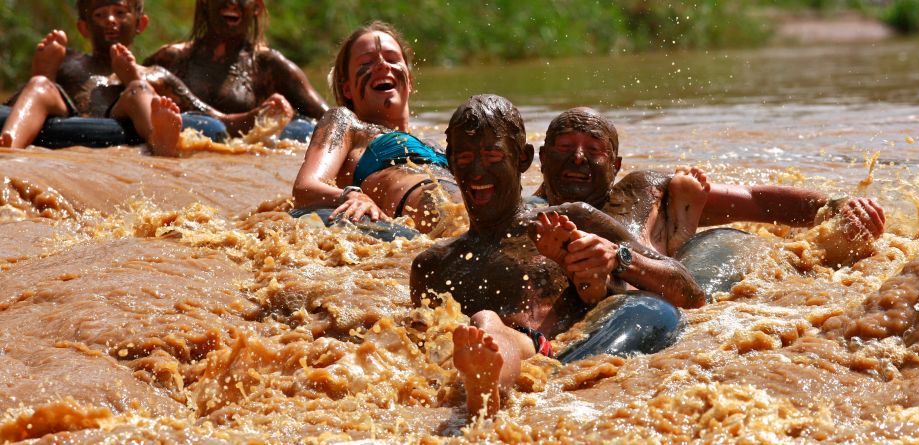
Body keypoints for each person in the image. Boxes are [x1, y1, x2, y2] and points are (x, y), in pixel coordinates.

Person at [410, 95, 705, 419]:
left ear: (523, 159)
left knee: (487, 323)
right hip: (512, 356)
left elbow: (691, 293)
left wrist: (618, 258)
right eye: (465, 157)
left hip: (573, 351)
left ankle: (488, 390)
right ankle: (486, 389)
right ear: (450, 162)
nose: (478, 171)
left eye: (493, 156)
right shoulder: (433, 266)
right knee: (486, 324)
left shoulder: (574, 220)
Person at [534, 107, 886, 258]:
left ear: (615, 166)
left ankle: (678, 241)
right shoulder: (522, 214)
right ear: (543, 157)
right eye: (565, 147)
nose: (577, 158)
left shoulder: (646, 198)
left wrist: (835, 206)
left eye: (593, 150)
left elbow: (757, 202)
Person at [291, 22, 463, 234]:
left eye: (392, 59)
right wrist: (351, 195)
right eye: (366, 62)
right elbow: (305, 188)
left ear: (409, 81)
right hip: (439, 215)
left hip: (471, 209)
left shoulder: (433, 145)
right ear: (347, 89)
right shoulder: (346, 124)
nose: (382, 65)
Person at [0, 1, 184, 156]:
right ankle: (9, 143)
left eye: (119, 12)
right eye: (100, 15)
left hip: (124, 114)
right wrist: (44, 73)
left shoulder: (154, 74)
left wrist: (131, 77)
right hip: (69, 119)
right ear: (84, 28)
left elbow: (199, 112)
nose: (110, 20)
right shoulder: (69, 63)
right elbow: (12, 105)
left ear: (140, 24)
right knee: (40, 84)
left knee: (138, 88)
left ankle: (159, 138)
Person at [144, 0, 328, 136]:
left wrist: (280, 114)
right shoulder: (171, 59)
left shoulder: (268, 66)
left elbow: (330, 119)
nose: (232, 2)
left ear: (257, 6)